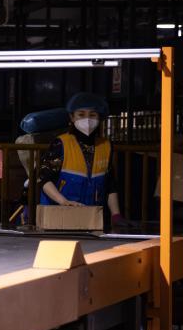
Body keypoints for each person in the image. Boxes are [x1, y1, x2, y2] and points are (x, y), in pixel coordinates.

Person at [38, 92, 124, 228]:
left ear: (100, 117)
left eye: (92, 115)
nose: (87, 120)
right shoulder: (61, 143)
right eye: (81, 114)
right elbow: (44, 179)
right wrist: (64, 202)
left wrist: (116, 215)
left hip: (91, 218)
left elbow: (110, 184)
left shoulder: (106, 146)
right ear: (72, 117)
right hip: (58, 216)